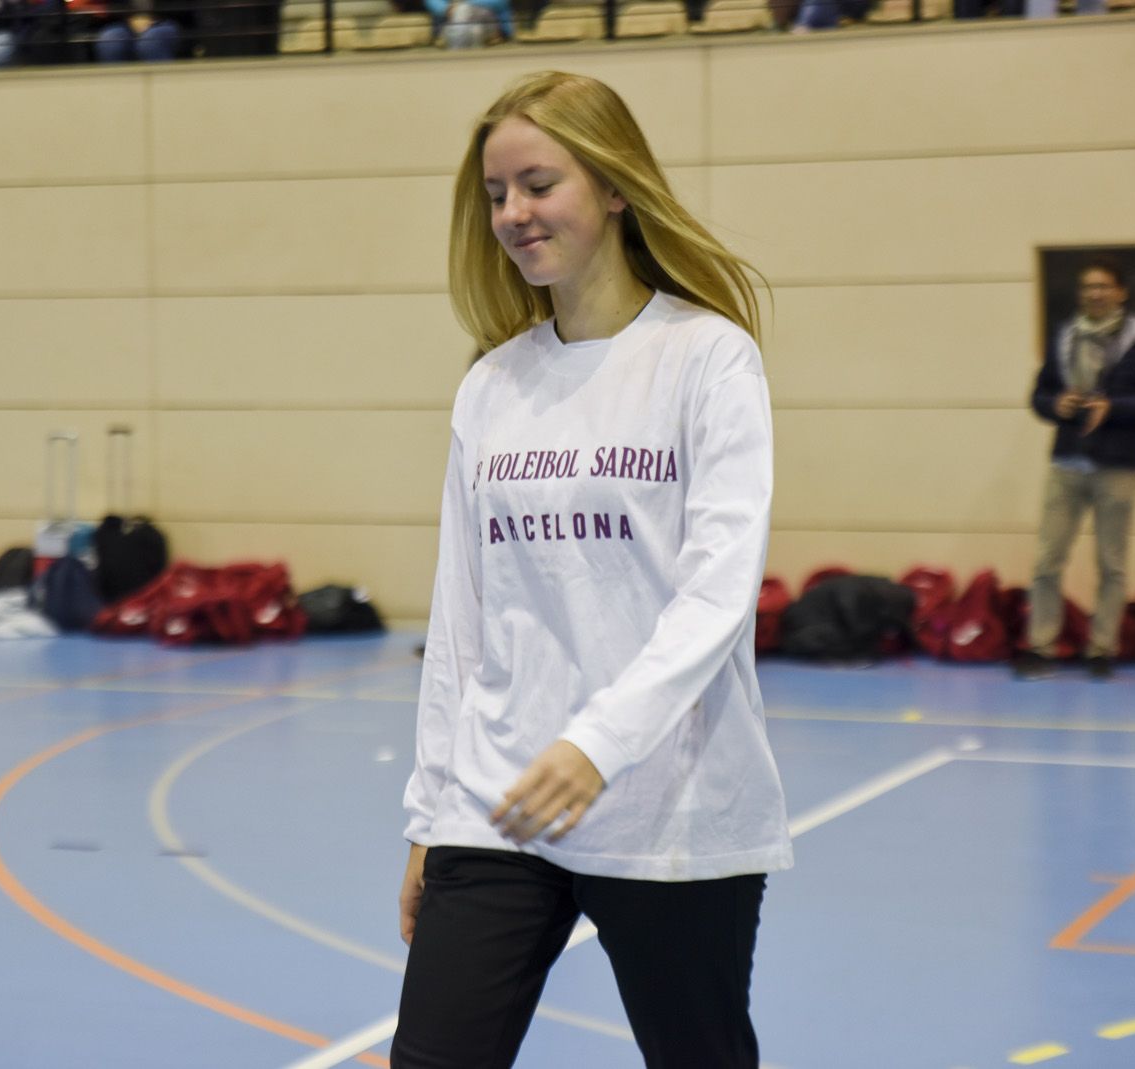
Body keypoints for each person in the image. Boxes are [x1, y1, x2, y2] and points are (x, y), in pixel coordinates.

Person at [395, 71, 794, 1069]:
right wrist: (430, 813)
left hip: (672, 807)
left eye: (539, 185)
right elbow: (461, 620)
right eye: (497, 194)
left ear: (615, 186)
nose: (513, 214)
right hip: (500, 804)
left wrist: (598, 742)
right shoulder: (492, 385)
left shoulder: (709, 358)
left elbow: (717, 593)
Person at [1016, 254, 1135, 681]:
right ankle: (1040, 646)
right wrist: (1056, 404)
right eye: (1088, 287)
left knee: (1111, 564)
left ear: (1120, 293)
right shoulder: (1065, 335)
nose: (1095, 293)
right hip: (1067, 461)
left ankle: (1102, 649)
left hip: (1118, 465)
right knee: (1047, 560)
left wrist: (1114, 407)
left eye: (1103, 286)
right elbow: (1038, 396)